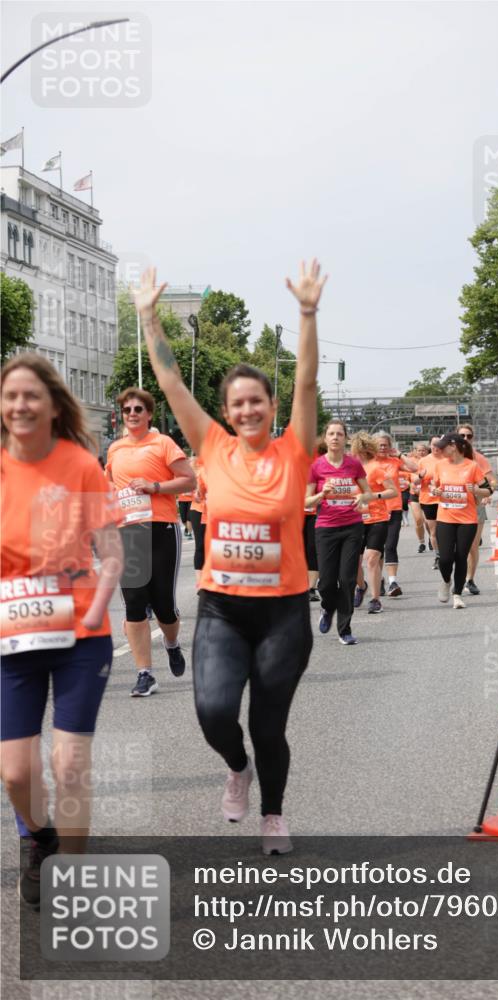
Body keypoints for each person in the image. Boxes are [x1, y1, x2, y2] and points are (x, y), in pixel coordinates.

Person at [133, 260, 327, 856]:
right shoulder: (211, 446)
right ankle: (235, 766)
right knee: (216, 712)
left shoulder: (295, 450)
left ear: (271, 406)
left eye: (257, 402)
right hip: (222, 610)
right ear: (226, 410)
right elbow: (168, 383)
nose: (247, 411)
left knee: (270, 724)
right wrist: (148, 317)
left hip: (283, 614)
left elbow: (308, 384)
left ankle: (273, 814)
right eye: (237, 403)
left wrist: (307, 312)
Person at [0, 353, 123, 907]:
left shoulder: (80, 465)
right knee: (14, 773)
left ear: (52, 405)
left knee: (68, 763)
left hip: (80, 634)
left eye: (32, 396)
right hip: (13, 635)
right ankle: (38, 834)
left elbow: (114, 554)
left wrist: (98, 606)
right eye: (11, 396)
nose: (20, 405)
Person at [106, 387, 196, 696]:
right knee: (133, 601)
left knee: (163, 605)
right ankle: (145, 673)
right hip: (128, 531)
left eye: (138, 409)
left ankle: (171, 643)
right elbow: (109, 485)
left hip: (160, 528)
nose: (132, 414)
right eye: (128, 409)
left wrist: (154, 486)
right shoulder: (115, 449)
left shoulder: (163, 443)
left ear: (149, 415)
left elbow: (189, 480)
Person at [306, 420, 372, 644]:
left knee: (346, 579)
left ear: (345, 438)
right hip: (325, 527)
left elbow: (368, 493)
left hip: (352, 526)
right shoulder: (316, 466)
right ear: (325, 438)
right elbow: (307, 502)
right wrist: (321, 494)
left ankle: (345, 629)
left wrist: (362, 497)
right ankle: (327, 608)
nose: (335, 437)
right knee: (325, 582)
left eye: (339, 434)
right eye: (331, 434)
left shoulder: (353, 465)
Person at [432, 433, 492, 609]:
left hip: (467, 519)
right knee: (445, 558)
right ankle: (445, 581)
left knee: (460, 557)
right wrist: (436, 491)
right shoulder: (440, 466)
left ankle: (457, 594)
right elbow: (435, 486)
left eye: (443, 446)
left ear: (454, 446)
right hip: (445, 517)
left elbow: (488, 491)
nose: (440, 449)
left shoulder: (472, 466)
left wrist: (475, 490)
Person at [350, 433, 397, 614]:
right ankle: (361, 587)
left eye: (359, 450)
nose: (356, 453)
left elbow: (392, 492)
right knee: (354, 560)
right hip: (355, 520)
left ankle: (375, 600)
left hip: (377, 519)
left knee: (371, 559)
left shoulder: (376, 468)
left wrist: (374, 495)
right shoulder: (350, 470)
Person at [374, 433, 417, 597]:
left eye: (385, 445)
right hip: (375, 511)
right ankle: (379, 580)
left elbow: (414, 468)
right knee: (377, 549)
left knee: (390, 545)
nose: (382, 448)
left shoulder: (394, 462)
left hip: (394, 508)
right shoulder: (368, 463)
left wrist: (399, 454)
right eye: (379, 445)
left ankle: (392, 582)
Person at [456, 423, 496, 596]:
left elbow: (491, 482)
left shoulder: (479, 459)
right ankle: (456, 577)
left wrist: (486, 493)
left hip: (475, 506)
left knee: (472, 545)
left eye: (469, 436)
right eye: (462, 436)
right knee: (456, 548)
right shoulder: (448, 458)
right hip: (453, 508)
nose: (465, 439)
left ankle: (469, 580)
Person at [303, 437, 327, 602]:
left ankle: (311, 588)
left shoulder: (321, 458)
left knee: (312, 549)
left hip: (315, 511)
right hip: (292, 513)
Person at [417, 436, 446, 569]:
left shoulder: (448, 459)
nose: (436, 447)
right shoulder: (423, 461)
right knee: (433, 532)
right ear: (430, 445)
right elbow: (415, 481)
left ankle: (448, 554)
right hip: (428, 500)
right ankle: (438, 556)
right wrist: (420, 476)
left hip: (445, 499)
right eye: (433, 444)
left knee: (446, 530)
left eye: (438, 444)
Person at [189, 456, 207, 590]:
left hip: (217, 510)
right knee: (200, 545)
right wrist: (196, 492)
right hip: (198, 509)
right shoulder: (195, 462)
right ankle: (200, 583)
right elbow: (190, 484)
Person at [409, 443, 429, 552]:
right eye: (419, 450)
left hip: (428, 495)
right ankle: (421, 542)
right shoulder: (411, 463)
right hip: (415, 495)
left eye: (423, 450)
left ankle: (432, 538)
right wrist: (412, 485)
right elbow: (408, 478)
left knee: (428, 521)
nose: (421, 452)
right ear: (415, 451)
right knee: (418, 520)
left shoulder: (431, 462)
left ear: (427, 451)